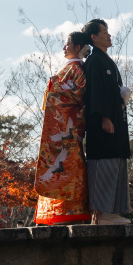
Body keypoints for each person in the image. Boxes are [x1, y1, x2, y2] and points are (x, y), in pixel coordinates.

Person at [34, 30, 92, 225]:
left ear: (77, 47)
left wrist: (55, 88)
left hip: (68, 130)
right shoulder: (69, 69)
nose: (63, 47)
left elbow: (78, 94)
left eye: (67, 43)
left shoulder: (77, 70)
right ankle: (55, 212)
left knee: (67, 165)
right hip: (59, 130)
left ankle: (68, 211)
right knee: (56, 165)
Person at [81, 18, 131, 224]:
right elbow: (96, 93)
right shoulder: (94, 61)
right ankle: (102, 213)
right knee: (103, 162)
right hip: (103, 124)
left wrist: (121, 95)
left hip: (115, 121)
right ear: (94, 37)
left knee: (116, 160)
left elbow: (109, 90)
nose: (109, 35)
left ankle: (111, 211)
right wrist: (104, 116)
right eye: (104, 31)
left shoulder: (106, 60)